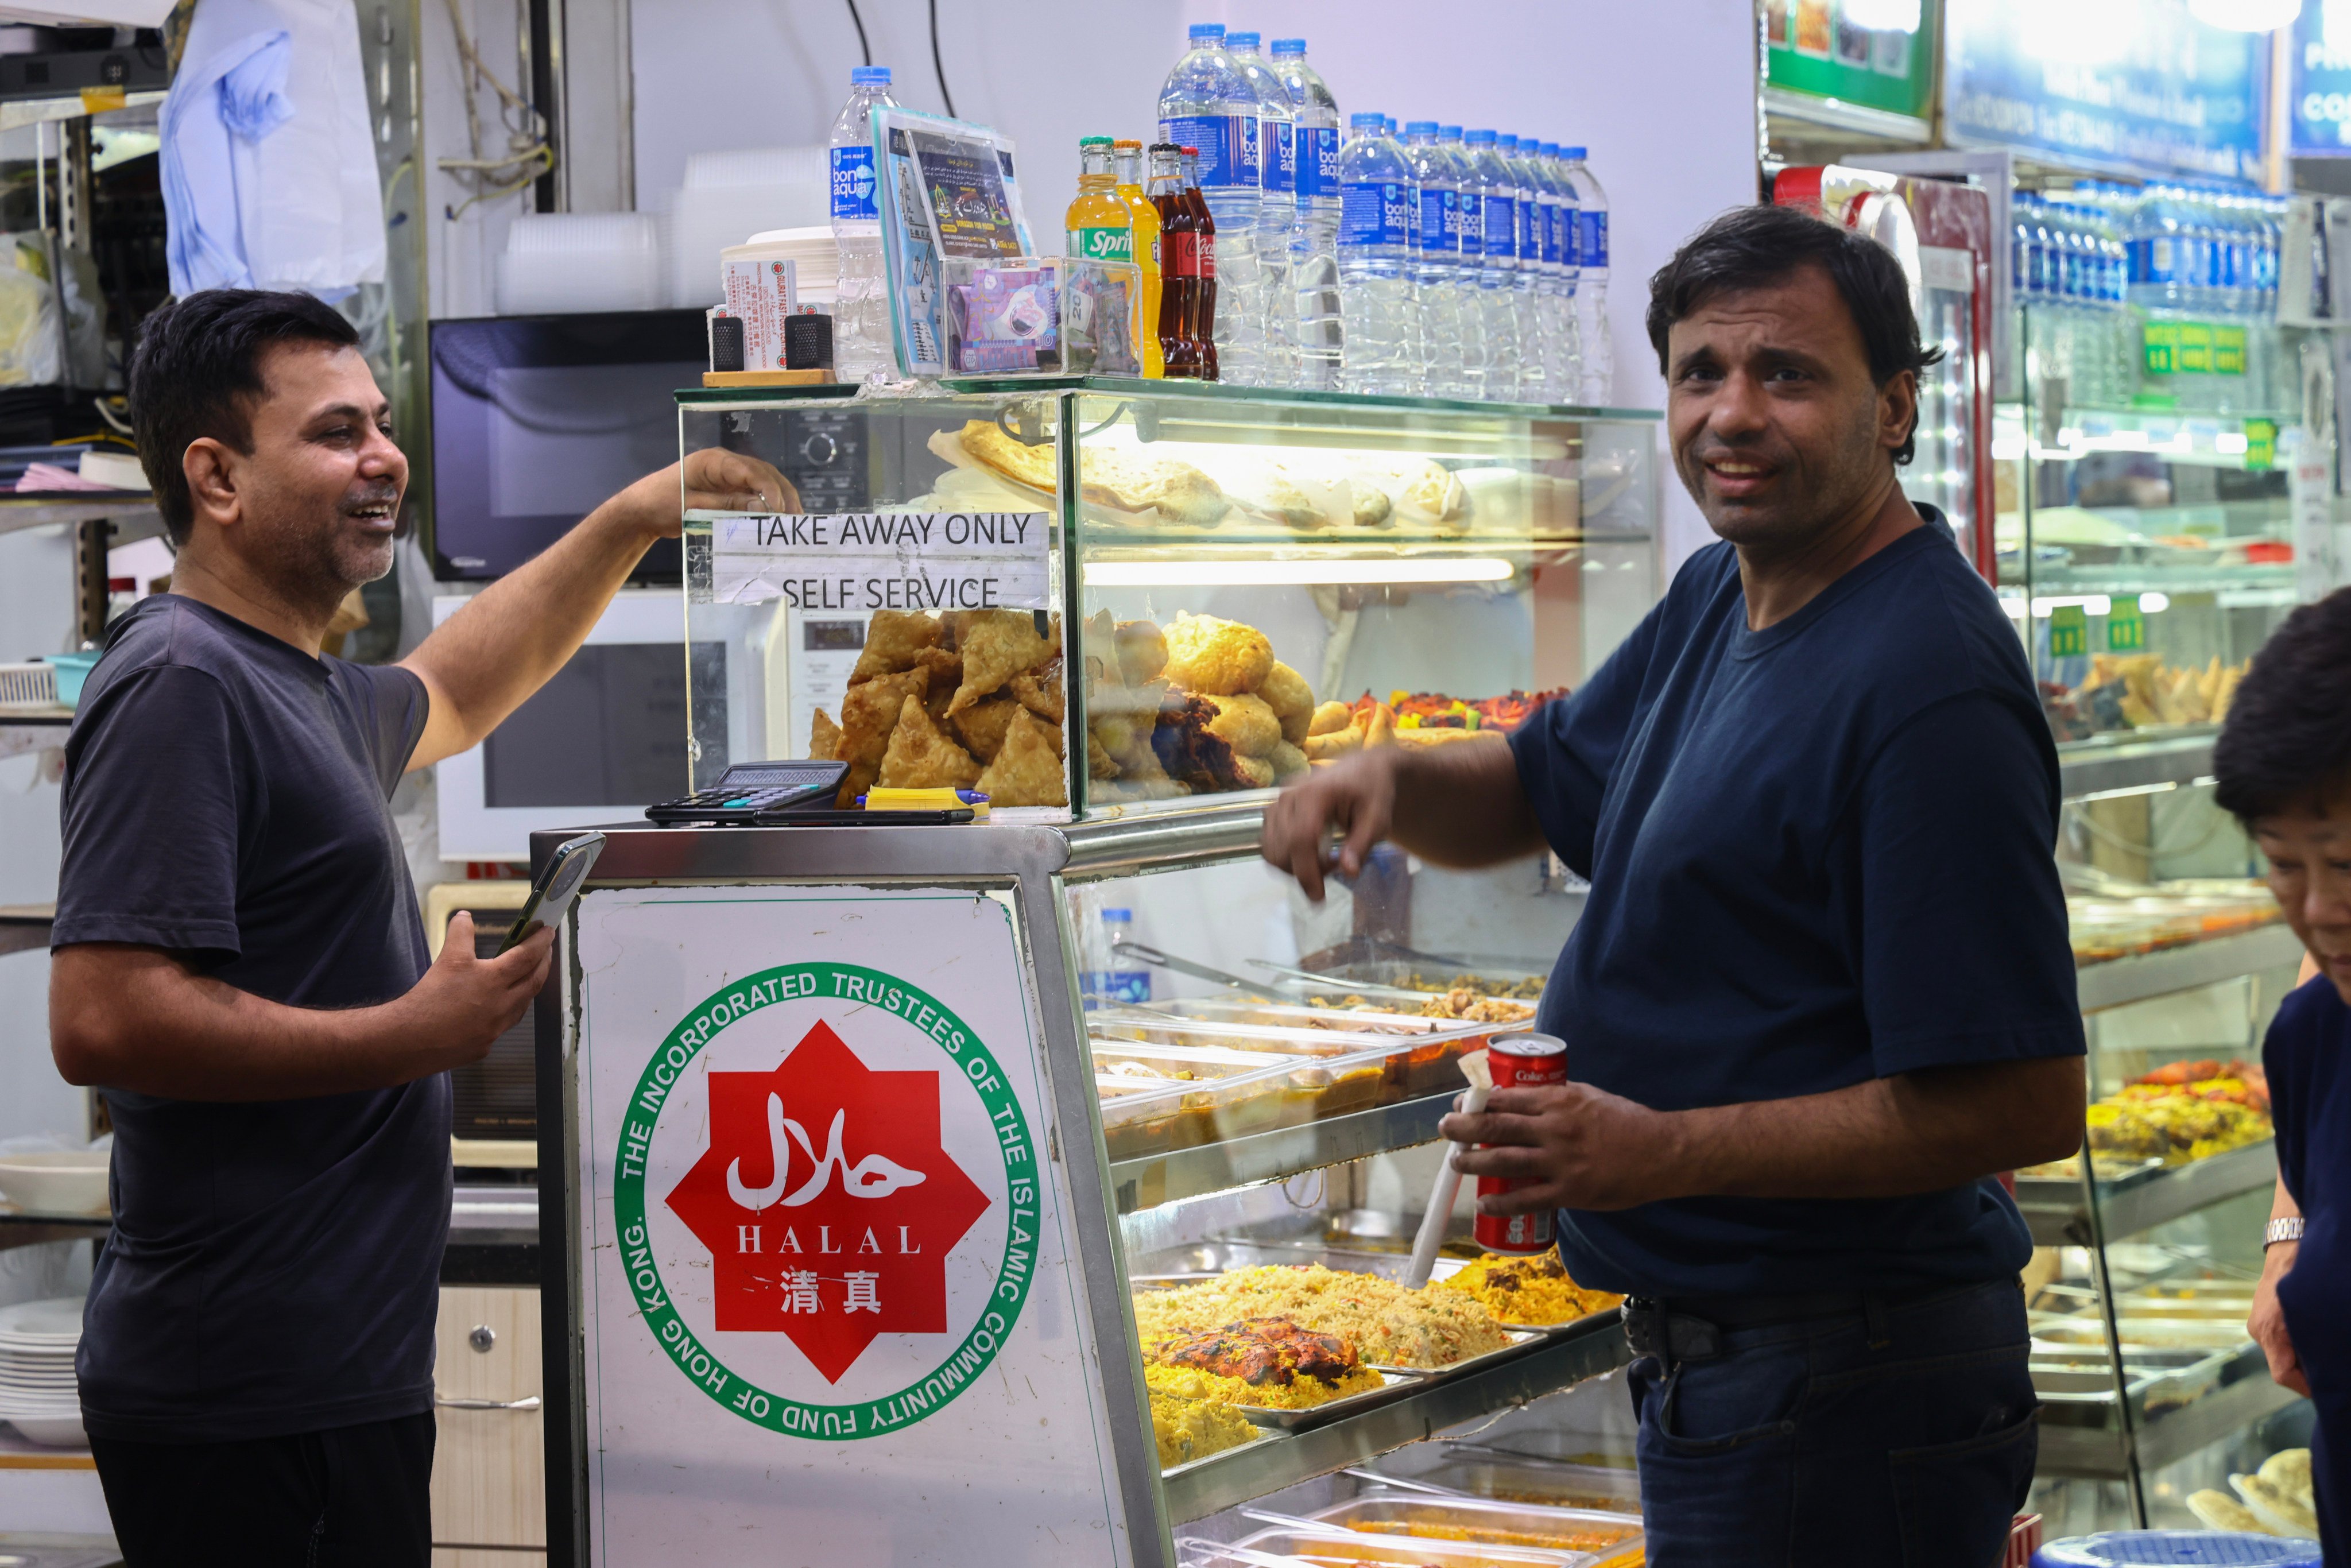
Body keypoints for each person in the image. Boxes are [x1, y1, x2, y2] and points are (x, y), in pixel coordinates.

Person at [1261, 203, 2086, 1567]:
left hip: (1843, 1381)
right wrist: (1391, 780)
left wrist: (1654, 1152)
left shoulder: (1923, 682)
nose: (1732, 413)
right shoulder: (1724, 592)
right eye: (1700, 372)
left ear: (1892, 409)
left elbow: (2017, 1097)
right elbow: (1539, 786)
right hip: (1736, 1375)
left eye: (1787, 374)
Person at [45, 289, 793, 1567]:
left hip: (330, 1367)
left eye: (381, 424)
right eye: (336, 432)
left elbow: (456, 685)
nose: (385, 457)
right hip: (246, 1389)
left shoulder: (296, 681)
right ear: (216, 477)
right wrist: (407, 1035)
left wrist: (629, 518)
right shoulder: (181, 681)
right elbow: (103, 1014)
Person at [2225, 588, 2351, 1550]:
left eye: (2346, 866)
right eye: (2283, 864)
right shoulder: (2314, 1037)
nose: (2317, 911)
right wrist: (2287, 1235)